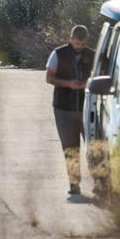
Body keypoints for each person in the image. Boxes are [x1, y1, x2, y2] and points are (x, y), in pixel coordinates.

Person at [46, 25, 95, 196]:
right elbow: (49, 78)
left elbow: (101, 77)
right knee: (70, 148)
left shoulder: (94, 55)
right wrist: (69, 84)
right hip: (64, 108)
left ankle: (101, 184)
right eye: (76, 43)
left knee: (95, 147)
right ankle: (74, 185)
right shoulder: (58, 54)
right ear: (70, 39)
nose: (79, 46)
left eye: (82, 44)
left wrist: (87, 84)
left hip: (89, 108)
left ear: (86, 42)